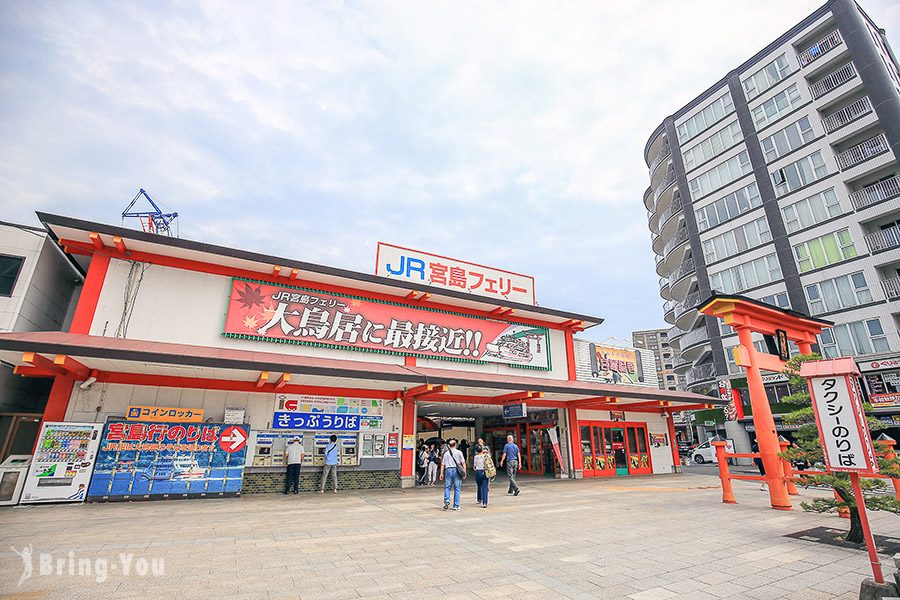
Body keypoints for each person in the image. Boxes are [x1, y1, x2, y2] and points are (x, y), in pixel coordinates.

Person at [440, 439, 466, 511]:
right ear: (456, 445)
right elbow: (463, 463)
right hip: (456, 471)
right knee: (457, 488)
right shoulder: (459, 452)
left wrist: (441, 473)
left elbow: (442, 464)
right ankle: (456, 505)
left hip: (448, 470)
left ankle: (447, 501)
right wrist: (464, 472)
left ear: (449, 445)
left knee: (447, 487)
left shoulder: (446, 453)